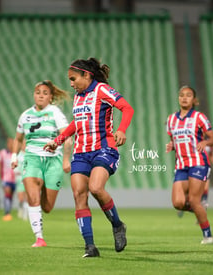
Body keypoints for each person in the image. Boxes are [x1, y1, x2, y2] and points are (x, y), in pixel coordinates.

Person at [44, 58, 134, 257]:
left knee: (95, 188)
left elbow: (127, 108)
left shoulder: (101, 90)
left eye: (73, 78)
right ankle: (90, 247)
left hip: (104, 149)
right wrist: (57, 141)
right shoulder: (78, 97)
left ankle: (118, 225)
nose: (71, 83)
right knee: (79, 195)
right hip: (81, 153)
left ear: (87, 75)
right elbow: (77, 123)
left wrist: (121, 130)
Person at [12, 80, 72, 247]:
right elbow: (18, 139)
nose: (41, 95)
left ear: (50, 97)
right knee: (33, 196)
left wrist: (66, 159)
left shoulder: (55, 113)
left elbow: (67, 137)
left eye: (45, 93)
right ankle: (39, 238)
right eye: (38, 92)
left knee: (47, 207)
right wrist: (14, 157)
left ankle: (44, 184)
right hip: (32, 158)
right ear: (34, 94)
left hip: (54, 161)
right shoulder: (25, 115)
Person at [166, 85, 213, 244]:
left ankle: (208, 236)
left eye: (188, 95)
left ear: (194, 100)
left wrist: (205, 142)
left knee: (194, 200)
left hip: (198, 163)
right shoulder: (171, 120)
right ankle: (200, 209)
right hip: (181, 164)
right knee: (178, 203)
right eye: (181, 95)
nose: (184, 97)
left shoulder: (199, 117)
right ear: (178, 98)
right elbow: (176, 140)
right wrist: (172, 145)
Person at [0, 137, 16, 221]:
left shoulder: (16, 154)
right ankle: (7, 213)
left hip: (15, 179)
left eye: (13, 143)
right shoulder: (2, 153)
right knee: (7, 193)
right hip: (5, 178)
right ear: (7, 144)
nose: (11, 145)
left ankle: (8, 211)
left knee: (11, 196)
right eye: (10, 143)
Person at [14, 140, 28, 220]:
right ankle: (20, 209)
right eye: (24, 144)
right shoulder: (18, 156)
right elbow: (15, 167)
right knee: (21, 198)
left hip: (27, 178)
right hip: (20, 179)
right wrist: (17, 172)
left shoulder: (29, 156)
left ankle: (26, 214)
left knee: (28, 196)